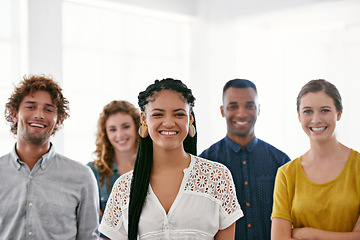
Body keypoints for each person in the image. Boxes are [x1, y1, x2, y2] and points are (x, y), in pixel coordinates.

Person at [99, 78, 243, 239]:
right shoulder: (125, 186)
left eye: (179, 114)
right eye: (158, 114)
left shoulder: (217, 176)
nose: (168, 122)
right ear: (143, 119)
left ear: (190, 119)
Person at [0, 75, 99, 239]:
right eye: (30, 107)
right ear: (14, 114)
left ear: (58, 120)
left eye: (48, 109)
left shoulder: (82, 177)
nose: (39, 115)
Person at [200, 79, 290, 240]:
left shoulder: (281, 162)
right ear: (222, 110)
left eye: (249, 106)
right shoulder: (205, 163)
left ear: (258, 109)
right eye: (233, 106)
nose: (241, 114)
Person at [271, 79, 360, 240]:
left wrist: (309, 234)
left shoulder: (358, 166)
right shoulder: (286, 174)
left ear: (338, 114)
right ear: (299, 116)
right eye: (307, 111)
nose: (316, 119)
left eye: (325, 110)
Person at [87, 100, 140, 240]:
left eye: (126, 127)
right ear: (105, 134)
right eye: (112, 129)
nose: (120, 134)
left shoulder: (154, 166)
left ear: (137, 127)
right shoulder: (93, 171)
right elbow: (96, 228)